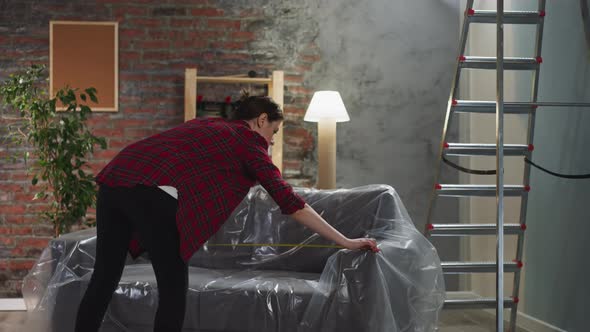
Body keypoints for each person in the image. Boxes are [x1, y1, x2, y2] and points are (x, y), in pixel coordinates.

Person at [74, 94, 379, 332]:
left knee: (104, 277)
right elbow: (290, 202)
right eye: (273, 131)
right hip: (150, 191)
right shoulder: (248, 142)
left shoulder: (207, 125)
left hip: (115, 177)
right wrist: (347, 241)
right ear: (261, 120)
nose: (272, 140)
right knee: (172, 288)